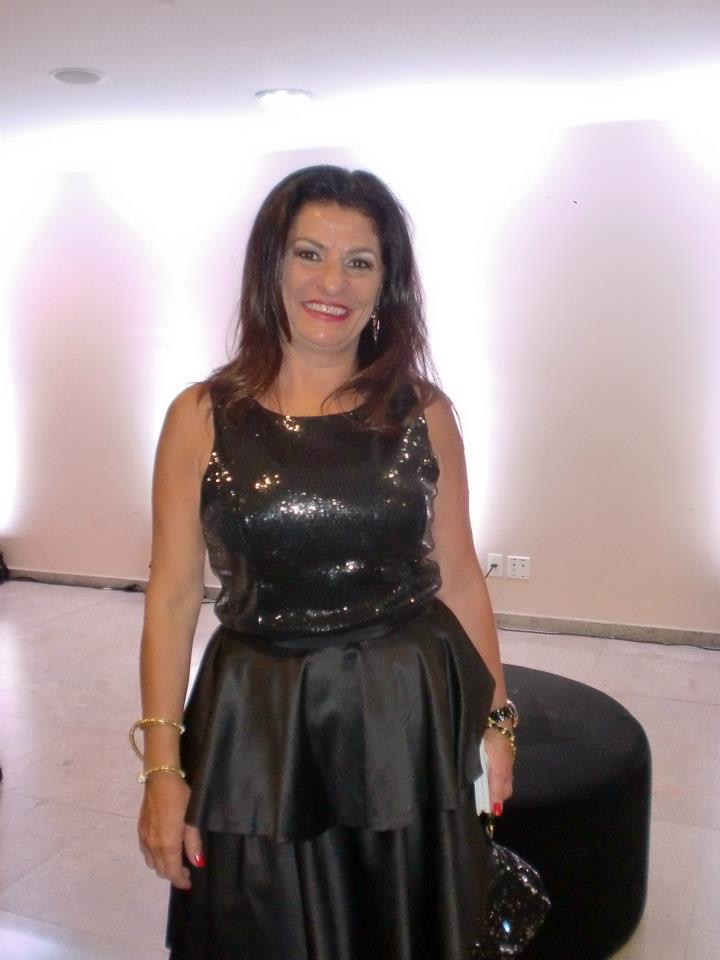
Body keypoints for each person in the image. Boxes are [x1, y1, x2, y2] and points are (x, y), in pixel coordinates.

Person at [133, 165, 515, 960]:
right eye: (309, 253)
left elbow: (459, 576)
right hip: (259, 723)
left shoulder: (424, 413)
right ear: (271, 267)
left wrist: (498, 721)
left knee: (405, 925)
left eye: (359, 262)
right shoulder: (201, 417)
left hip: (408, 713)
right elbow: (170, 599)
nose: (332, 282)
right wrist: (163, 771)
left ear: (386, 287)